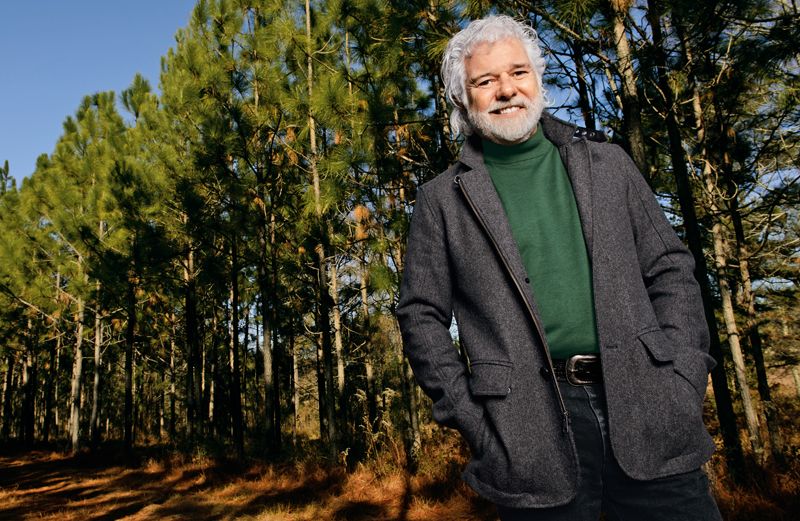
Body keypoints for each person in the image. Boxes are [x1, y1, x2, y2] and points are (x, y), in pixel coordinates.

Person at [396, 14, 722, 521]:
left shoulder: (607, 164)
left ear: (537, 79)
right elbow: (420, 315)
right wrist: (475, 421)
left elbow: (671, 268)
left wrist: (681, 377)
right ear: (464, 99)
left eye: (518, 72)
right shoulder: (441, 200)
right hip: (528, 433)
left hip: (649, 405)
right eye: (486, 81)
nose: (507, 90)